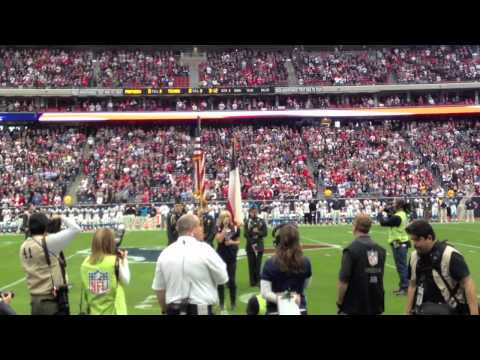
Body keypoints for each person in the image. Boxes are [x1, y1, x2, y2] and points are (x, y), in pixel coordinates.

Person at [152, 214, 228, 315]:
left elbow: (159, 289)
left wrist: (165, 309)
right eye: (200, 225)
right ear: (193, 229)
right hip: (201, 309)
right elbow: (222, 278)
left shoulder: (165, 253)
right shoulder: (205, 249)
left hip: (174, 309)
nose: (202, 229)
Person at [405, 219, 479, 315]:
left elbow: (468, 283)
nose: (414, 244)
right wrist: (407, 312)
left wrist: (474, 313)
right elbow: (412, 285)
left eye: (417, 240)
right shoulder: (414, 257)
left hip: (451, 309)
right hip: (423, 309)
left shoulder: (449, 255)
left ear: (429, 238)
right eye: (413, 240)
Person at [19, 212, 81, 315]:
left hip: (34, 300)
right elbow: (76, 229)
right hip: (50, 300)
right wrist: (61, 216)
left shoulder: (24, 246)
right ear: (45, 226)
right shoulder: (48, 242)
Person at [337, 214, 386, 315]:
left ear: (355, 226)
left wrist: (340, 301)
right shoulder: (381, 250)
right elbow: (377, 276)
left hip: (354, 305)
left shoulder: (351, 250)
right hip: (376, 303)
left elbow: (344, 280)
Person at [260, 224, 312, 315]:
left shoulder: (270, 263)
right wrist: (290, 296)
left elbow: (265, 293)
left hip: (275, 310)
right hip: (299, 309)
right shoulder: (306, 262)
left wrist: (286, 297)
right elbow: (305, 285)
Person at [80, 229, 130, 315]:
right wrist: (124, 260)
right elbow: (126, 280)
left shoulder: (85, 263)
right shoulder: (114, 261)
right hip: (114, 311)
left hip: (94, 310)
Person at [379, 199, 410, 296]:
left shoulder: (398, 217)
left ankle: (405, 287)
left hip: (399, 243)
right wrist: (388, 212)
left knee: (401, 266)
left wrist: (380, 213)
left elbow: (384, 223)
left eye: (394, 204)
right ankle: (403, 286)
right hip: (400, 242)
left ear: (399, 206)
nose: (393, 205)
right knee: (401, 266)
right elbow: (392, 218)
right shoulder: (402, 214)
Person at [215, 211, 240, 314]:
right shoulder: (217, 227)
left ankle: (233, 303)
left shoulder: (236, 228)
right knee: (220, 281)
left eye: (228, 216)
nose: (227, 218)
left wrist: (231, 242)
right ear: (221, 218)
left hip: (231, 256)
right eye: (225, 216)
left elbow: (238, 241)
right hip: (221, 256)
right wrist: (224, 229)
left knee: (232, 281)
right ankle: (221, 303)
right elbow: (219, 240)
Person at [244, 206, 267, 287]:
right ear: (249, 212)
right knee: (251, 264)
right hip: (250, 246)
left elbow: (265, 233)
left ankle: (258, 281)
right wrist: (252, 241)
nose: (254, 213)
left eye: (255, 211)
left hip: (259, 246)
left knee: (258, 264)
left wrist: (258, 232)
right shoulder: (247, 222)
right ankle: (252, 282)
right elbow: (245, 234)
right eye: (252, 211)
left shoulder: (261, 221)